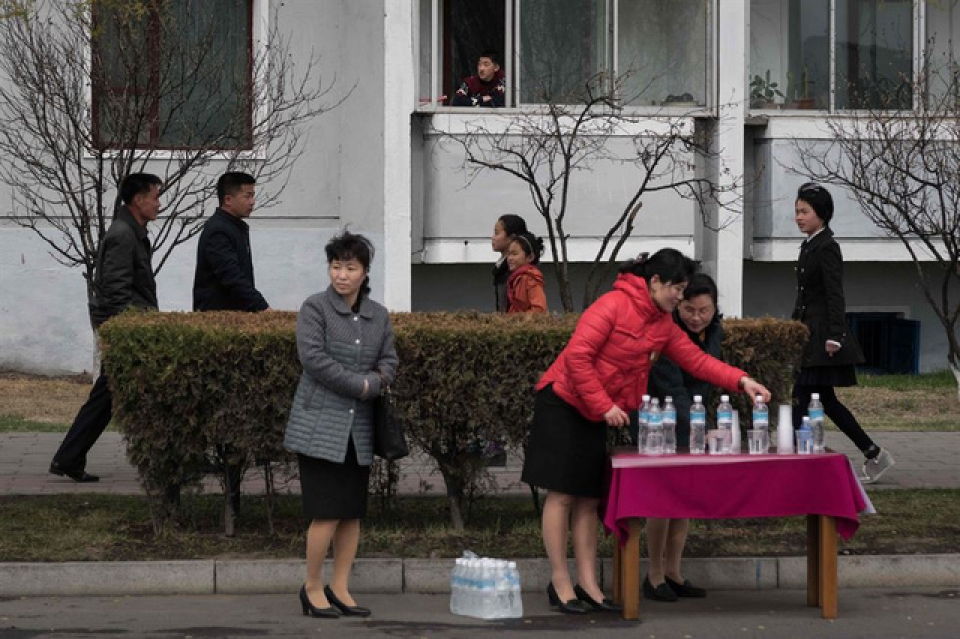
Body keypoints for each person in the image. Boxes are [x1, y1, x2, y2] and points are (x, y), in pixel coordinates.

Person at [521, 249, 771, 614]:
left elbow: (697, 360)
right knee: (561, 495)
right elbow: (577, 357)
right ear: (655, 282)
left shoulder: (662, 323)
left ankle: (588, 584)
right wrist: (604, 404)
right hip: (564, 401)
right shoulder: (612, 305)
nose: (680, 297)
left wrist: (742, 380)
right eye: (677, 289)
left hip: (599, 410)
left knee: (589, 499)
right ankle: (560, 582)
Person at [283, 232, 398, 619]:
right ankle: (312, 585)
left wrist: (379, 379)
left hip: (359, 430)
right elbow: (313, 360)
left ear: (365, 272)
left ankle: (341, 586)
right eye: (336, 266)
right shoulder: (314, 308)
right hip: (319, 426)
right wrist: (363, 385)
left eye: (350, 267)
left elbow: (390, 360)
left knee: (351, 512)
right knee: (326, 511)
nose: (342, 274)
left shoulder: (378, 314)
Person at [49, 173, 163, 483]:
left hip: (131, 327)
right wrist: (133, 332)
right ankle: (168, 457)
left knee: (108, 396)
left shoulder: (132, 231)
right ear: (138, 201)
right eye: (154, 197)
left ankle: (68, 458)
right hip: (127, 330)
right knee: (125, 393)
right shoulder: (122, 235)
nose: (159, 203)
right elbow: (115, 294)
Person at [792, 182, 895, 483]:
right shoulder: (810, 243)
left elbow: (835, 294)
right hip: (809, 335)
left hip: (823, 337)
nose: (798, 217)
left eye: (804, 212)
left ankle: (799, 461)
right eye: (796, 212)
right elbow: (804, 295)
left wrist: (836, 335)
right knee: (823, 400)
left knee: (802, 396)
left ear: (821, 214)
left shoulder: (827, 246)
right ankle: (873, 453)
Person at [643, 272, 723, 602]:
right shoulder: (666, 334)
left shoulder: (714, 331)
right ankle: (654, 575)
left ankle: (674, 572)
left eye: (704, 310)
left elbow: (708, 379)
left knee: (684, 501)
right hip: (660, 422)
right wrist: (700, 426)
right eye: (689, 309)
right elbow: (673, 392)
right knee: (662, 500)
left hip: (695, 421)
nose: (696, 317)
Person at [193, 172, 270, 312]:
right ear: (228, 200)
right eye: (247, 196)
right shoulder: (219, 231)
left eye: (253, 196)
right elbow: (231, 276)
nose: (252, 202)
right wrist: (262, 307)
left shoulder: (235, 227)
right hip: (219, 320)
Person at [491, 214, 528, 312]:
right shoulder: (501, 267)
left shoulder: (517, 270)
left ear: (511, 237)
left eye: (497, 233)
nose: (493, 238)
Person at [506, 231, 547, 313]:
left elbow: (539, 309)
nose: (509, 258)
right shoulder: (518, 277)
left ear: (530, 257)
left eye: (514, 254)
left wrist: (520, 321)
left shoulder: (531, 279)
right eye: (508, 254)